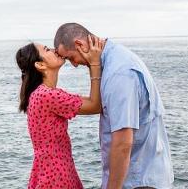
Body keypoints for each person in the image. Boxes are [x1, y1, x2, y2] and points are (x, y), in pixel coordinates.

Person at [54, 23, 173, 189]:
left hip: (138, 182)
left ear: (80, 45)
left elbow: (123, 143)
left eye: (70, 58)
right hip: (143, 176)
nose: (73, 64)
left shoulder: (119, 74)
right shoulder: (116, 58)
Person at [16, 36, 105, 189]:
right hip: (57, 175)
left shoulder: (40, 94)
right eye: (46, 50)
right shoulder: (47, 95)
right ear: (40, 64)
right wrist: (94, 62)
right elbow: (95, 105)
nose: (53, 50)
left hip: (48, 171)